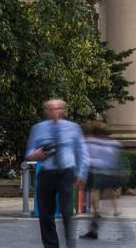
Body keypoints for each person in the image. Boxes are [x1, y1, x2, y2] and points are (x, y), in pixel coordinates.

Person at [26, 99, 88, 248]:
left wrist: (82, 174)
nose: (54, 112)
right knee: (45, 214)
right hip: (47, 172)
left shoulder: (73, 128)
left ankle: (70, 244)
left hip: (66, 172)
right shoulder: (38, 128)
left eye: (58, 108)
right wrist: (36, 155)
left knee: (67, 212)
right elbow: (28, 153)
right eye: (51, 109)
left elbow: (82, 152)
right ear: (46, 111)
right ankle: (51, 246)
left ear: (63, 110)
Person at [79, 121, 124, 240]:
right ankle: (97, 221)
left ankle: (95, 216)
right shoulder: (111, 143)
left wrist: (82, 175)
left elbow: (86, 159)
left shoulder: (88, 142)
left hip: (95, 171)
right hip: (109, 173)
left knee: (92, 193)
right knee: (108, 198)